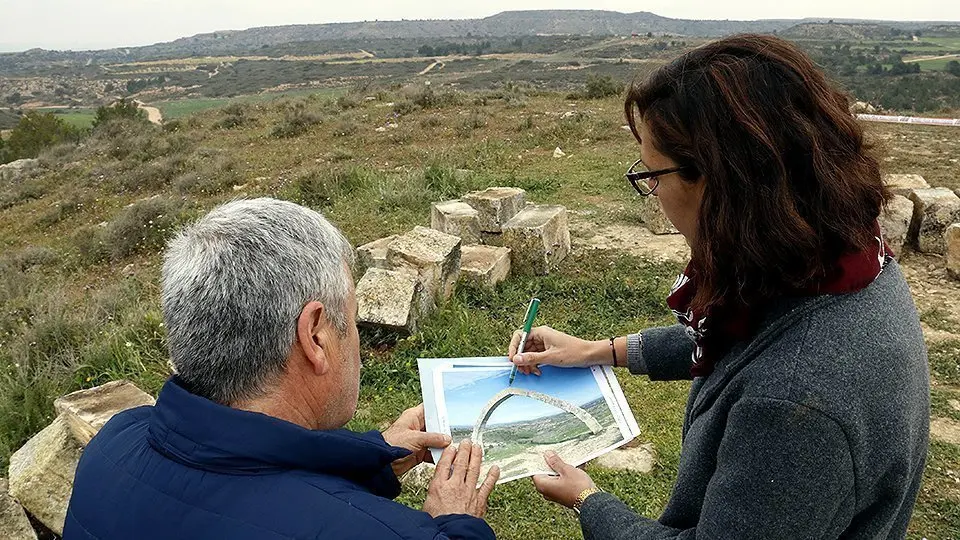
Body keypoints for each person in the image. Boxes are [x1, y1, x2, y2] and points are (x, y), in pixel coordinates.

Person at [509, 35, 929, 539]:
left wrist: (589, 501)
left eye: (652, 174)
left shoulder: (790, 412)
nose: (654, 191)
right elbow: (742, 339)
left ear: (720, 182)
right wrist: (598, 351)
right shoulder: (851, 264)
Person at [64, 198, 499, 540]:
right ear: (314, 336)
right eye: (351, 321)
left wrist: (374, 456)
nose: (358, 343)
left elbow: (252, 477)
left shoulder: (113, 444)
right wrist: (455, 524)